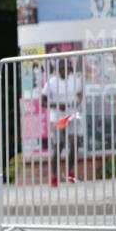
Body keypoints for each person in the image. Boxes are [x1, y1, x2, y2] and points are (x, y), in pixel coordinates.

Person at [40, 57, 82, 187]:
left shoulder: (75, 80)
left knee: (75, 143)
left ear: (69, 68)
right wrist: (57, 105)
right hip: (57, 118)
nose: (63, 70)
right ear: (57, 70)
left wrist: (77, 101)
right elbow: (43, 101)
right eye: (61, 68)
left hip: (72, 115)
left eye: (65, 67)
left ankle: (69, 172)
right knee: (59, 146)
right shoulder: (51, 82)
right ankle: (53, 175)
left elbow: (80, 95)